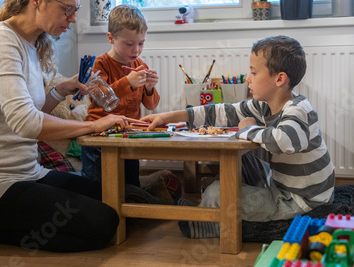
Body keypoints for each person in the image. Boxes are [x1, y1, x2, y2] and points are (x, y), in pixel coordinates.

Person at [0, 0, 142, 252]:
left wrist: (58, 91)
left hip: (29, 173)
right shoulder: (0, 41)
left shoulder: (30, 44)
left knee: (128, 200)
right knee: (104, 223)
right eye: (66, 9)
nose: (72, 19)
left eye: (75, 10)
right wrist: (93, 125)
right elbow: (27, 124)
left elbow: (31, 114)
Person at [142, 35, 335, 238]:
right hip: (282, 183)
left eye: (253, 72)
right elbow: (222, 112)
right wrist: (169, 116)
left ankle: (201, 223)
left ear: (279, 79)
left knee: (218, 191)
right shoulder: (264, 104)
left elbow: (283, 141)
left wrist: (247, 128)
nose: (248, 78)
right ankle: (214, 206)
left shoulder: (299, 110)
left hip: (301, 200)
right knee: (241, 161)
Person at [81, 5, 160, 188]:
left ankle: (130, 213)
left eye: (141, 43)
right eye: (129, 44)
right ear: (111, 38)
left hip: (129, 136)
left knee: (130, 184)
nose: (136, 50)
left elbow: (151, 105)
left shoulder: (140, 64)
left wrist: (149, 88)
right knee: (97, 186)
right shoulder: (100, 64)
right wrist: (128, 82)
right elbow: (101, 100)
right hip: (99, 138)